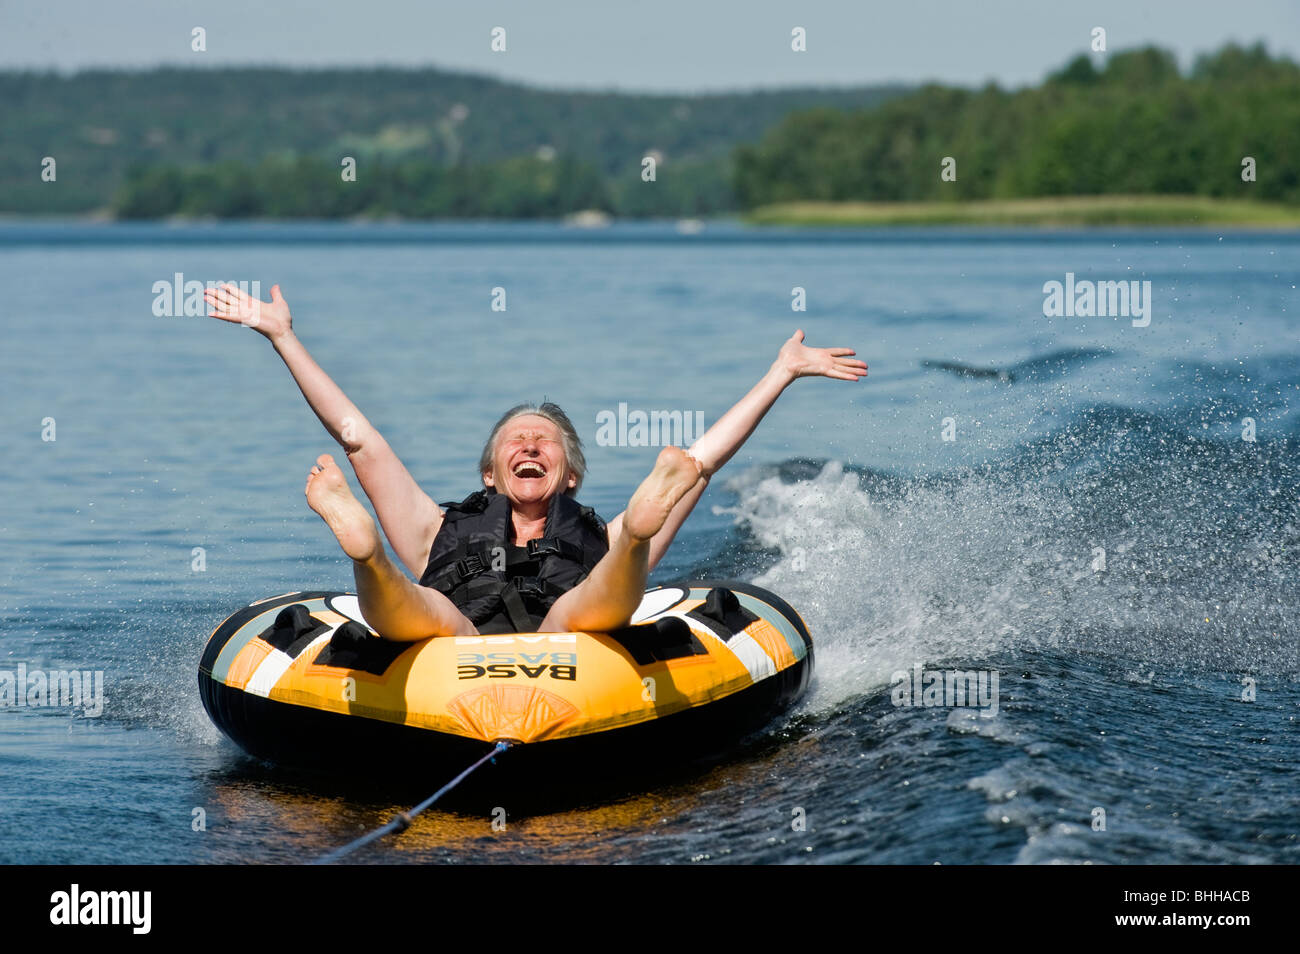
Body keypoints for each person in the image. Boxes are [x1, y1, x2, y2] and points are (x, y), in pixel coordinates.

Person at [204, 282, 866, 640]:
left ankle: (641, 535)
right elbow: (359, 440)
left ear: (569, 475)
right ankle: (366, 550)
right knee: (428, 614)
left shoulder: (595, 539)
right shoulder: (436, 530)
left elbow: (703, 459)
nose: (529, 445)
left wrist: (781, 372)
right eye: (515, 441)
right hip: (452, 633)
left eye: (545, 441)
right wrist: (283, 338)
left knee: (580, 608)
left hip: (571, 628)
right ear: (489, 474)